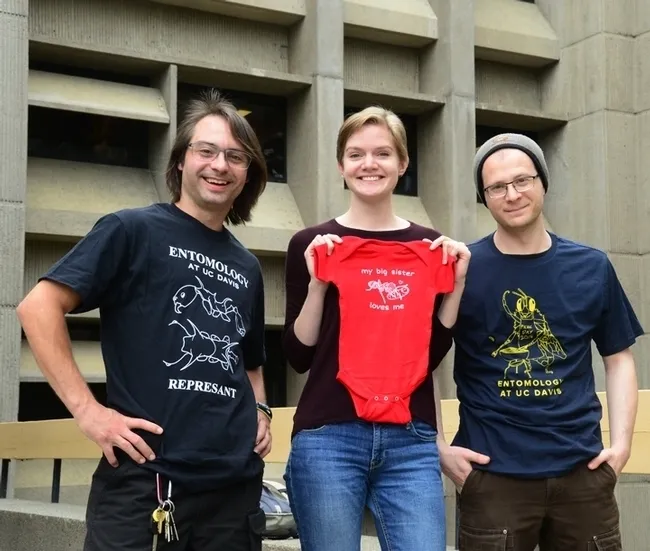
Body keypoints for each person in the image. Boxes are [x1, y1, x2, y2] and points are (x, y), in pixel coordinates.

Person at [16, 89, 273, 551]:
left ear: (247, 174)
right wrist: (88, 412)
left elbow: (249, 361)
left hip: (233, 494)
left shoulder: (247, 266)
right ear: (180, 162)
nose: (220, 165)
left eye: (236, 156)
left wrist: (260, 411)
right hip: (146, 482)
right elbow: (37, 307)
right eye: (207, 150)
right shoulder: (131, 230)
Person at [438, 133, 643, 550]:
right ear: (485, 196)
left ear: (543, 182)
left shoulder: (591, 266)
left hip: (583, 473)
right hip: (493, 477)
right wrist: (440, 448)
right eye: (497, 187)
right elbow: (421, 360)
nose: (512, 194)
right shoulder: (463, 270)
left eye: (522, 180)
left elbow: (618, 358)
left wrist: (621, 446)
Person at [282, 106, 471, 551]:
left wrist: (456, 285)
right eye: (356, 154)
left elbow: (431, 354)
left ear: (403, 164)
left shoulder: (430, 247)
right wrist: (317, 285)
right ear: (341, 166)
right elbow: (297, 356)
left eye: (383, 153)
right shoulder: (312, 244)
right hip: (328, 436)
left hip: (411, 439)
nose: (369, 164)